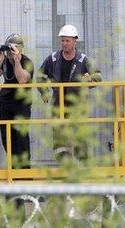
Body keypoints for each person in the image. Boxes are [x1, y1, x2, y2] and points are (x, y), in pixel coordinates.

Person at [37, 24, 102, 161]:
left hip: (77, 105)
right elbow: (40, 76)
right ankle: (64, 166)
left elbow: (98, 77)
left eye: (67, 40)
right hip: (58, 105)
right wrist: (44, 91)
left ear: (74, 41)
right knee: (60, 138)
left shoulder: (83, 59)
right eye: (62, 40)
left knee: (80, 137)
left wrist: (89, 79)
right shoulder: (53, 59)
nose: (64, 43)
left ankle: (83, 166)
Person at [0, 34, 34, 168]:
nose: (9, 52)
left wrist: (17, 61)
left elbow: (22, 80)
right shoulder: (5, 61)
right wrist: (0, 61)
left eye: (12, 49)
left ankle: (24, 170)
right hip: (6, 104)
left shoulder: (26, 62)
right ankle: (13, 168)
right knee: (7, 137)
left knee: (21, 138)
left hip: (21, 104)